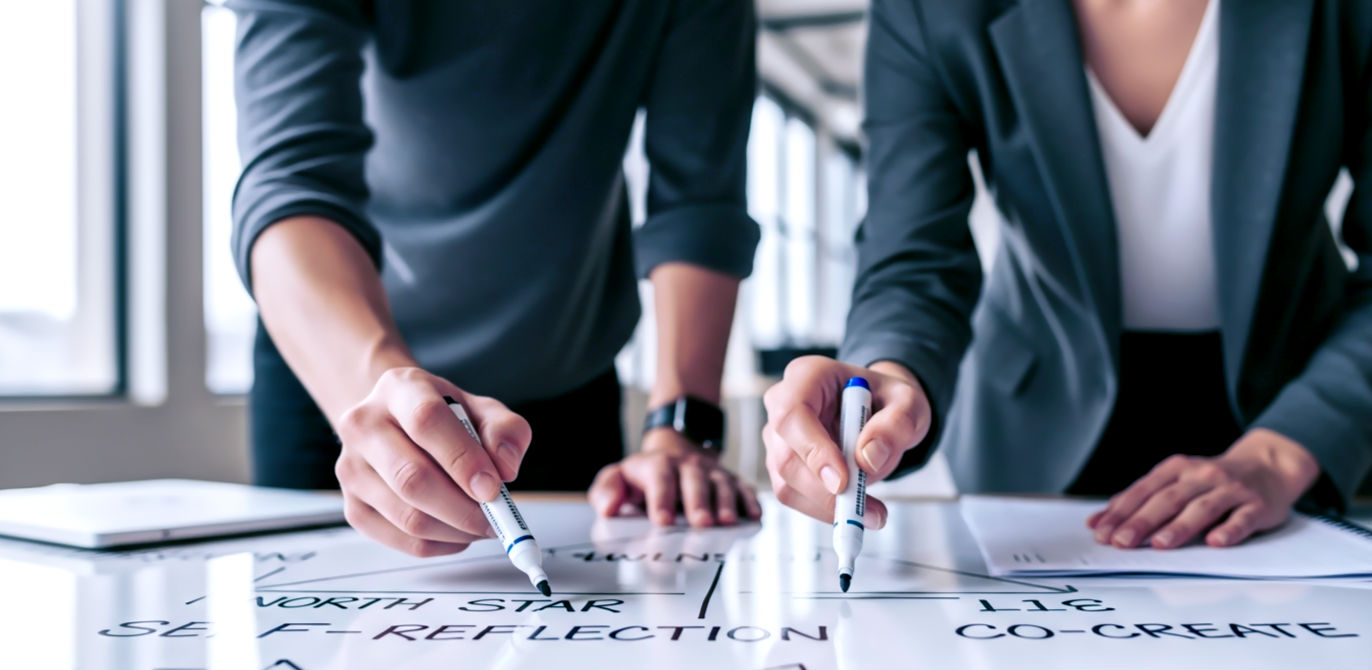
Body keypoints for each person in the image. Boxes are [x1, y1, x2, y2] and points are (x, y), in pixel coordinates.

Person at [763, 0, 1372, 550]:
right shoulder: (929, 10)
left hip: (1295, 415)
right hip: (1037, 429)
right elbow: (913, 249)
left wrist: (1283, 450)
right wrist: (889, 374)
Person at [229, 0, 761, 558]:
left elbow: (699, 202)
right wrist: (383, 389)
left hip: (564, 374)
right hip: (339, 362)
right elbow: (288, 180)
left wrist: (679, 430)